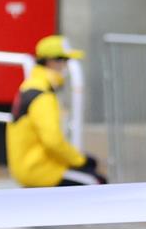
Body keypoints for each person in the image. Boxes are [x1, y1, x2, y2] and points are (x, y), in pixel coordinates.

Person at [7, 35, 106, 187]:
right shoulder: (43, 96)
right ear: (52, 62)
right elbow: (52, 141)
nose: (66, 67)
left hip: (29, 167)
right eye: (65, 61)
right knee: (96, 182)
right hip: (41, 170)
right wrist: (80, 160)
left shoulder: (30, 87)